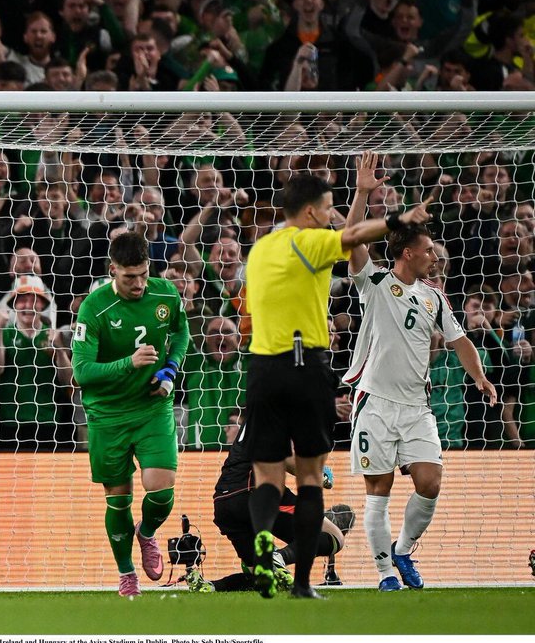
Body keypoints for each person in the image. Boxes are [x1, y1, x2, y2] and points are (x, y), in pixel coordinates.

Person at [242, 156, 434, 599]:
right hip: (304, 365)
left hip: (262, 368)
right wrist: (400, 218)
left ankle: (263, 541)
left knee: (267, 476)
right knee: (310, 478)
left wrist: (361, 192)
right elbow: (353, 238)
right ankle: (302, 583)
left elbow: (346, 236)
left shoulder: (261, 250)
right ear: (310, 212)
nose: (332, 216)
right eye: (329, 208)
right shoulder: (308, 242)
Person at [342, 155, 497, 591]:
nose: (435, 257)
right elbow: (351, 239)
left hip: (415, 406)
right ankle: (384, 574)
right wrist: (362, 192)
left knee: (430, 482)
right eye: (429, 250)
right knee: (379, 491)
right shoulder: (374, 283)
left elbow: (460, 341)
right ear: (408, 253)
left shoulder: (434, 297)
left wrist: (479, 376)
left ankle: (404, 550)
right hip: (375, 402)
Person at [70, 232, 189, 597]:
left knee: (162, 490)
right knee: (119, 499)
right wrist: (129, 362)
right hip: (108, 414)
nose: (138, 284)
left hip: (152, 407)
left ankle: (147, 532)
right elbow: (81, 372)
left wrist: (170, 369)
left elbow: (181, 332)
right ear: (113, 270)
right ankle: (127, 574)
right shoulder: (94, 308)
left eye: (143, 274)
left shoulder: (166, 295)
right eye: (129, 277)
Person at [193, 417, 345, 593]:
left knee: (262, 575)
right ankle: (278, 556)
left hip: (224, 503)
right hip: (256, 492)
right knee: (334, 537)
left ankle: (212, 586)